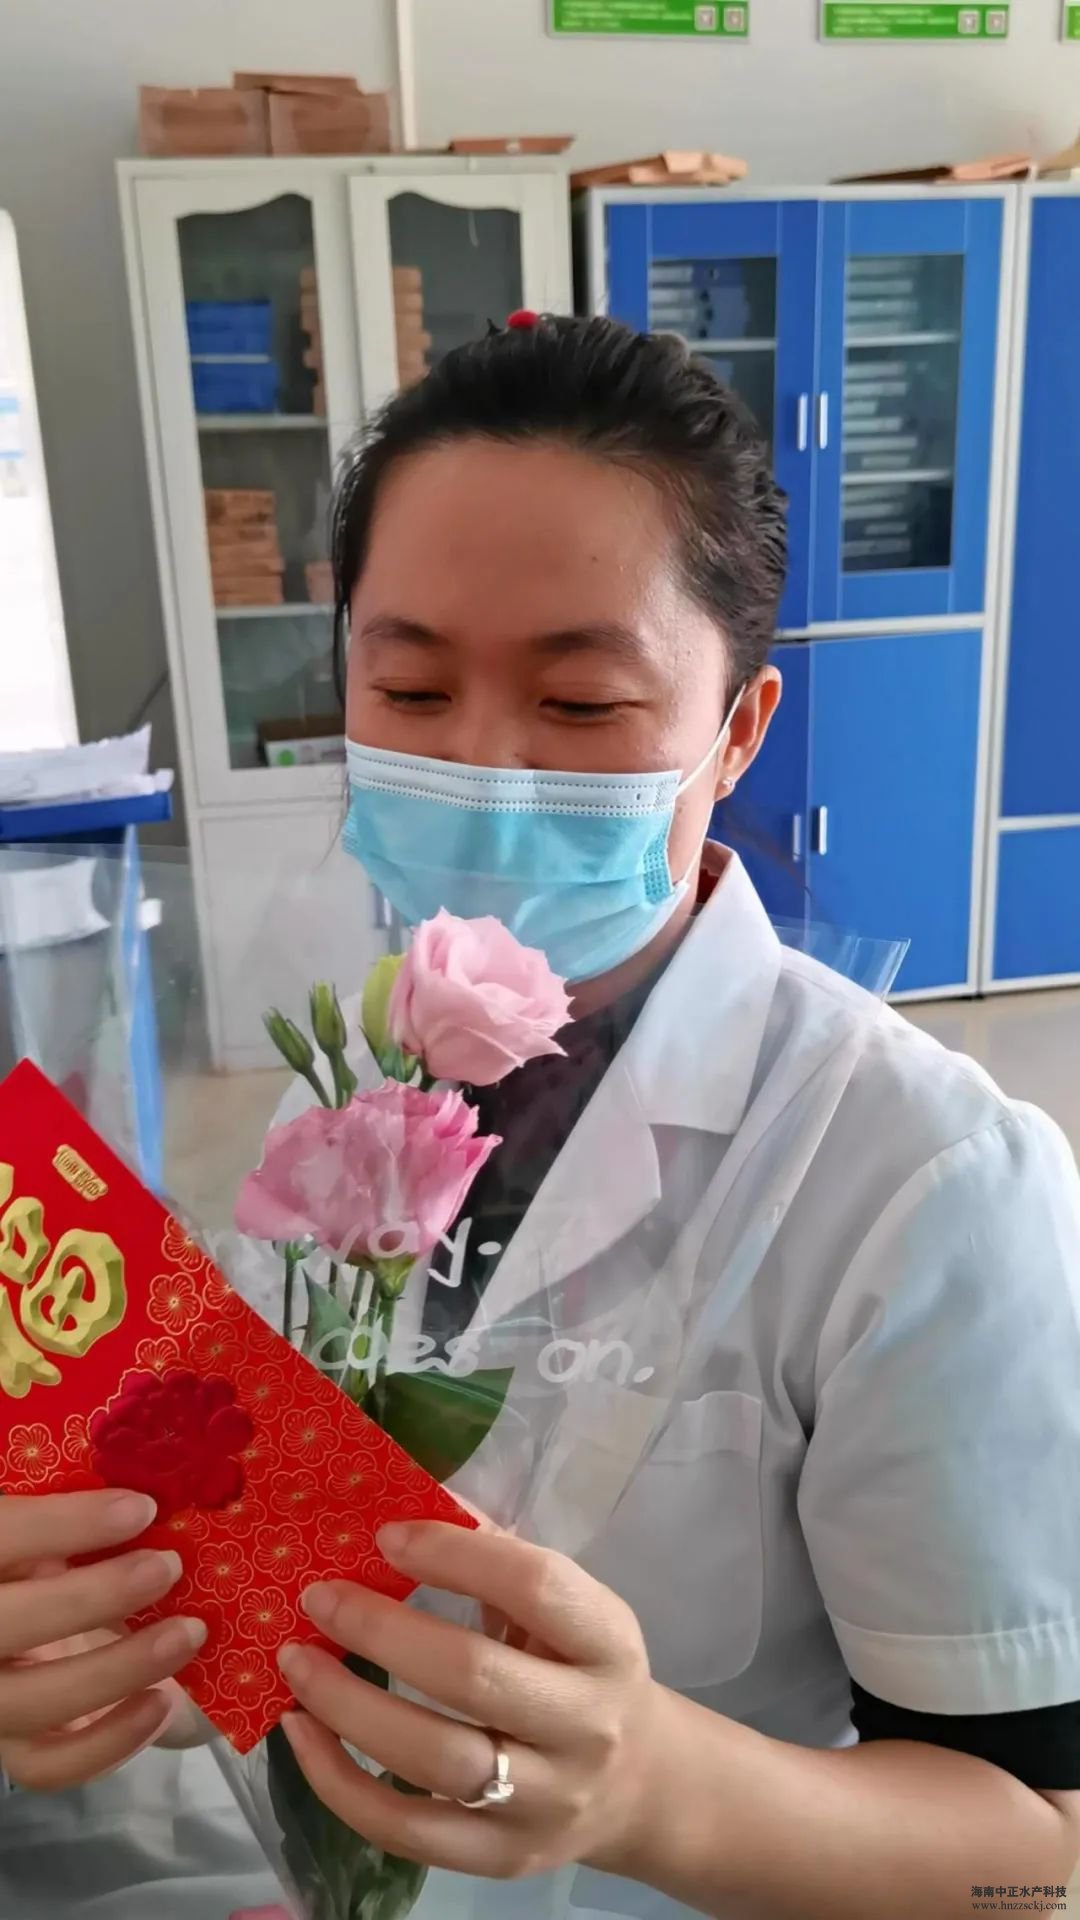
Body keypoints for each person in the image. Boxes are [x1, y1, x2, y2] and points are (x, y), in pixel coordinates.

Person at [1, 314, 1079, 1920]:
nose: (482, 767)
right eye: (410, 685)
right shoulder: (351, 1073)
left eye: (580, 707)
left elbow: (1032, 1862)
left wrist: (649, 1790)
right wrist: (128, 1637)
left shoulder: (925, 1182)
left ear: (738, 731)